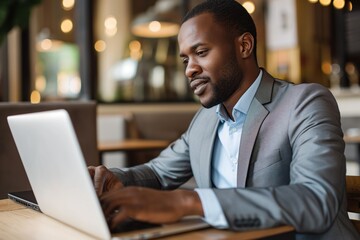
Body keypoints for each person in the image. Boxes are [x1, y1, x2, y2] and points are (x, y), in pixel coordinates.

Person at [89, 0, 360, 239]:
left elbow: (316, 201)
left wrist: (189, 202)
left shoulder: (305, 103)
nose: (190, 69)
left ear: (244, 46)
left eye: (201, 52)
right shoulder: (204, 120)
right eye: (185, 60)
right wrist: (112, 179)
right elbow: (158, 173)